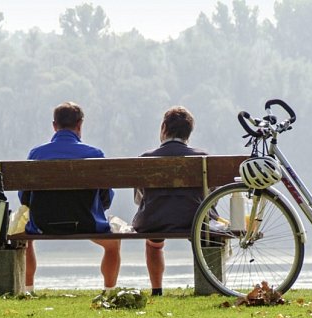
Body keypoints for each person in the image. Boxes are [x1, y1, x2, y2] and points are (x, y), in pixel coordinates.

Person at [19, 101, 121, 294]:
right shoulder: (94, 154)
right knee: (113, 244)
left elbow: (25, 197)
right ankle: (109, 291)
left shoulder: (37, 154)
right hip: (86, 222)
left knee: (26, 240)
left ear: (54, 125)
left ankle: (28, 289)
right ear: (80, 124)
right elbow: (106, 196)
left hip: (42, 223)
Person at [132, 106, 207, 296]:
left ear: (164, 127)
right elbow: (211, 195)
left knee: (153, 243)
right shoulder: (202, 158)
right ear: (189, 132)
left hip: (155, 220)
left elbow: (139, 196)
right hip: (195, 219)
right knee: (206, 234)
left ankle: (157, 290)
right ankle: (208, 286)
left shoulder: (146, 158)